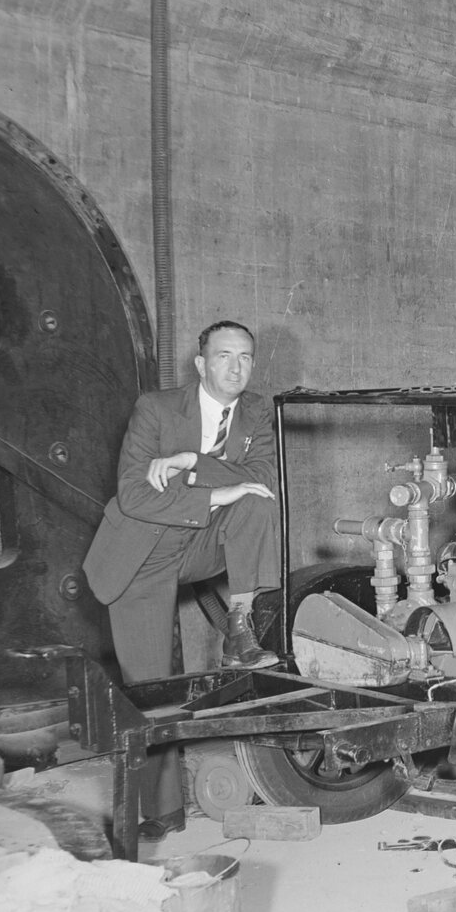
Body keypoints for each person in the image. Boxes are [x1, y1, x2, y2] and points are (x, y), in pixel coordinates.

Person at [83, 320, 282, 840]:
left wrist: (190, 462)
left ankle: (239, 626)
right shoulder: (156, 408)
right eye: (223, 356)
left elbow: (261, 475)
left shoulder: (257, 411)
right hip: (141, 555)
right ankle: (161, 810)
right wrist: (214, 489)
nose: (235, 367)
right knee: (152, 691)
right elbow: (135, 496)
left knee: (258, 500)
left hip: (195, 544)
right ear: (200, 363)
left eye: (244, 357)